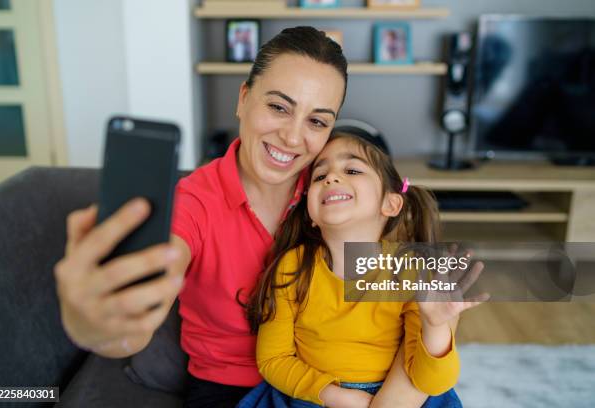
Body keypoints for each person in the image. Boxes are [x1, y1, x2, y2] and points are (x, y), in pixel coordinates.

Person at [54, 27, 428, 408]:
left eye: (317, 121)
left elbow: (416, 294)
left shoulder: (331, 190)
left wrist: (397, 395)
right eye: (279, 107)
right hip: (230, 391)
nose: (292, 137)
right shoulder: (193, 203)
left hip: (342, 380)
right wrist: (99, 324)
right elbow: (145, 300)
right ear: (244, 99)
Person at [240, 132, 488, 407]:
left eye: (352, 169)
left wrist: (436, 327)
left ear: (390, 204)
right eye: (320, 176)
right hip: (314, 394)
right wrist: (338, 397)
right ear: (310, 213)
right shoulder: (292, 267)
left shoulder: (411, 272)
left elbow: (432, 383)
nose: (331, 178)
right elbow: (273, 359)